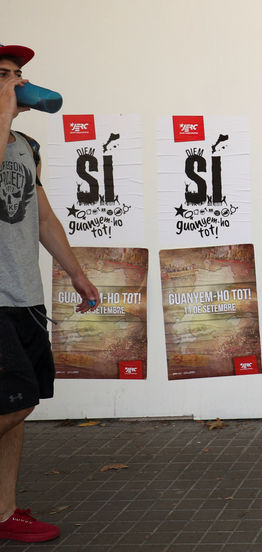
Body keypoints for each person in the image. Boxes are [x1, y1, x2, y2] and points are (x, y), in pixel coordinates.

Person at [0, 43, 99, 542]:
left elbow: (41, 216)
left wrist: (75, 272)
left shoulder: (24, 145)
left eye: (19, 74)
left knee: (19, 407)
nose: (17, 83)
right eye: (3, 74)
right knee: (9, 405)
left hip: (24, 295)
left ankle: (3, 512)